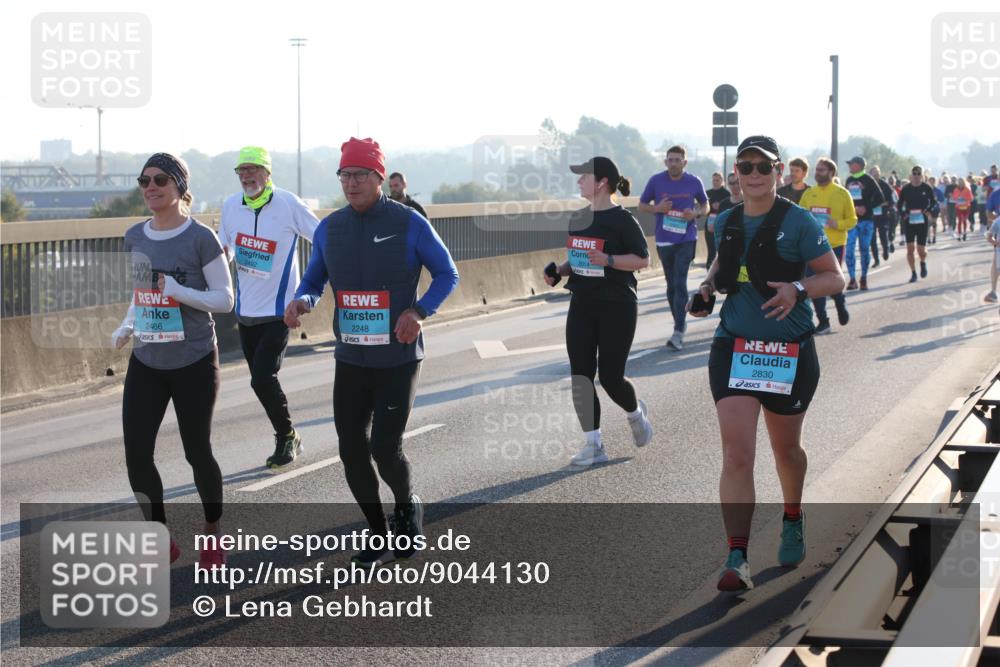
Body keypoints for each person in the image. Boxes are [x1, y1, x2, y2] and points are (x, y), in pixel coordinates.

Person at [285, 138, 459, 567]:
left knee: (384, 446)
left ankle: (406, 506)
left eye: (361, 175)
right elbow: (313, 281)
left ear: (380, 178)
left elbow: (446, 273)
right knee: (350, 447)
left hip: (398, 358)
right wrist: (303, 301)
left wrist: (418, 311)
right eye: (345, 175)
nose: (351, 183)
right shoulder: (330, 229)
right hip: (351, 359)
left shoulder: (409, 223)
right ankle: (377, 530)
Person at [689, 136, 845, 591]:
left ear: (778, 171)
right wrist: (706, 287)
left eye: (763, 167)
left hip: (788, 350)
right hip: (734, 346)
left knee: (786, 451)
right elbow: (723, 263)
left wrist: (797, 289)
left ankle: (792, 515)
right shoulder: (726, 219)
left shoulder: (797, 222)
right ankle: (737, 557)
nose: (754, 174)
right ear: (736, 171)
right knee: (737, 453)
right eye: (746, 166)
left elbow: (835, 276)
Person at [111, 153, 234, 567]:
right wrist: (128, 324)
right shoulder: (135, 236)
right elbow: (142, 292)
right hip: (147, 358)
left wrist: (180, 292)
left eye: (160, 179)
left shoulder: (201, 238)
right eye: (143, 180)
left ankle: (213, 531)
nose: (150, 187)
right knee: (136, 456)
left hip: (194, 360)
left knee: (197, 452)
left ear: (180, 187)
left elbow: (224, 298)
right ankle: (160, 537)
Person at [543, 157, 654, 466]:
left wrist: (608, 260)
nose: (578, 182)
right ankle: (594, 444)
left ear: (602, 182)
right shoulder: (577, 217)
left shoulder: (622, 220)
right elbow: (577, 259)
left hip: (617, 305)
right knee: (580, 375)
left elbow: (642, 260)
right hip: (582, 303)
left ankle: (635, 414)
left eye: (584, 177)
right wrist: (558, 271)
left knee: (611, 377)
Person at [218, 146, 320, 469]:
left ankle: (286, 435)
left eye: (253, 169)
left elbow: (323, 239)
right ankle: (288, 432)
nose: (247, 176)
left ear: (267, 172)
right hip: (246, 313)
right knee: (261, 381)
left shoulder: (288, 204)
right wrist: (216, 254)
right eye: (241, 171)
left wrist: (305, 293)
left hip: (279, 311)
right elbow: (227, 251)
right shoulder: (231, 206)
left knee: (262, 378)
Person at [638, 145, 709, 351]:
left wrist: (695, 213)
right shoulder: (656, 181)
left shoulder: (694, 181)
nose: (674, 163)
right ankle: (680, 321)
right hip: (664, 239)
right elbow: (642, 205)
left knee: (680, 281)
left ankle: (678, 331)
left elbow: (706, 205)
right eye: (670, 160)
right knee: (671, 286)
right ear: (665, 162)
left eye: (678, 160)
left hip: (687, 238)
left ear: (684, 163)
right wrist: (657, 208)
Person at [799, 157, 857, 333]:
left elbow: (853, 220)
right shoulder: (809, 193)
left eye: (821, 170)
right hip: (812, 246)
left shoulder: (842, 193)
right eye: (816, 170)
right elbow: (800, 216)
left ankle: (839, 301)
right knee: (814, 284)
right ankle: (823, 321)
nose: (817, 173)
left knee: (831, 279)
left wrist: (837, 224)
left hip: (834, 244)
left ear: (831, 173)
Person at [843, 156, 885, 290]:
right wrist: (851, 209)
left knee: (864, 249)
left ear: (859, 165)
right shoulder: (849, 180)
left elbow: (880, 198)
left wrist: (866, 207)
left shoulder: (869, 180)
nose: (849, 166)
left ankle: (864, 278)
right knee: (849, 250)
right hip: (851, 221)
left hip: (866, 221)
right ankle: (852, 279)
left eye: (851, 164)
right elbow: (845, 199)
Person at [896, 165, 939, 283]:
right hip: (909, 221)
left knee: (921, 250)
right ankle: (913, 273)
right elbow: (899, 204)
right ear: (910, 176)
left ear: (922, 176)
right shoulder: (906, 189)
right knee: (910, 249)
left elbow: (934, 202)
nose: (916, 176)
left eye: (918, 174)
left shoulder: (926, 188)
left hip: (922, 221)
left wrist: (928, 211)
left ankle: (922, 262)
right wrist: (903, 213)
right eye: (914, 174)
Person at [868, 166, 896, 266]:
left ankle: (885, 249)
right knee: (872, 238)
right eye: (874, 173)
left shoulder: (885, 185)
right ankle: (876, 260)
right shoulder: (867, 185)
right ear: (870, 174)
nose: (876, 175)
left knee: (883, 235)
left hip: (883, 215)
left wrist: (882, 204)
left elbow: (891, 201)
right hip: (871, 216)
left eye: (878, 173)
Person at [705, 172, 730, 270]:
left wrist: (720, 206)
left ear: (722, 181)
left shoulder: (726, 194)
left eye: (717, 180)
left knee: (722, 249)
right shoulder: (707, 193)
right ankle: (709, 272)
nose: (715, 182)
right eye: (713, 180)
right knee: (711, 250)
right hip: (710, 223)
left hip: (723, 224)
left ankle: (723, 270)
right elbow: (703, 206)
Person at [985, 185, 1000, 303]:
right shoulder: (995, 194)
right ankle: (994, 292)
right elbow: (989, 213)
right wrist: (998, 220)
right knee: (996, 262)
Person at [953, 177, 974, 241]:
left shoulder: (967, 189)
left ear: (964, 182)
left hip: (966, 207)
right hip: (959, 207)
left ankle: (964, 233)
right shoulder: (956, 189)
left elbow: (971, 198)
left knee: (964, 220)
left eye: (962, 182)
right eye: (959, 182)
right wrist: (958, 198)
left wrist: (965, 199)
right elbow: (954, 197)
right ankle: (959, 235)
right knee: (959, 221)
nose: (960, 183)